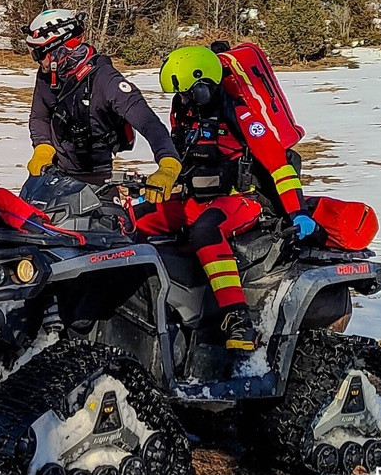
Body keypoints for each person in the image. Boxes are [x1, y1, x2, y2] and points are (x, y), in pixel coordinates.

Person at [133, 44, 318, 352]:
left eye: (189, 93)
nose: (183, 100)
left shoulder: (242, 114)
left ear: (206, 84)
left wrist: (298, 211)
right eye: (179, 95)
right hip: (194, 199)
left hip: (240, 201)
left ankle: (238, 319)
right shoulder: (184, 112)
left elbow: (279, 166)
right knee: (133, 221)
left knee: (206, 231)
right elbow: (180, 158)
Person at [23, 9, 182, 204]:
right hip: (54, 176)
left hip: (98, 182)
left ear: (60, 49)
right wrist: (43, 148)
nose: (38, 61)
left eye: (39, 53)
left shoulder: (106, 80)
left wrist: (168, 164)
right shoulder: (49, 76)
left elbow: (148, 122)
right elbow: (40, 116)